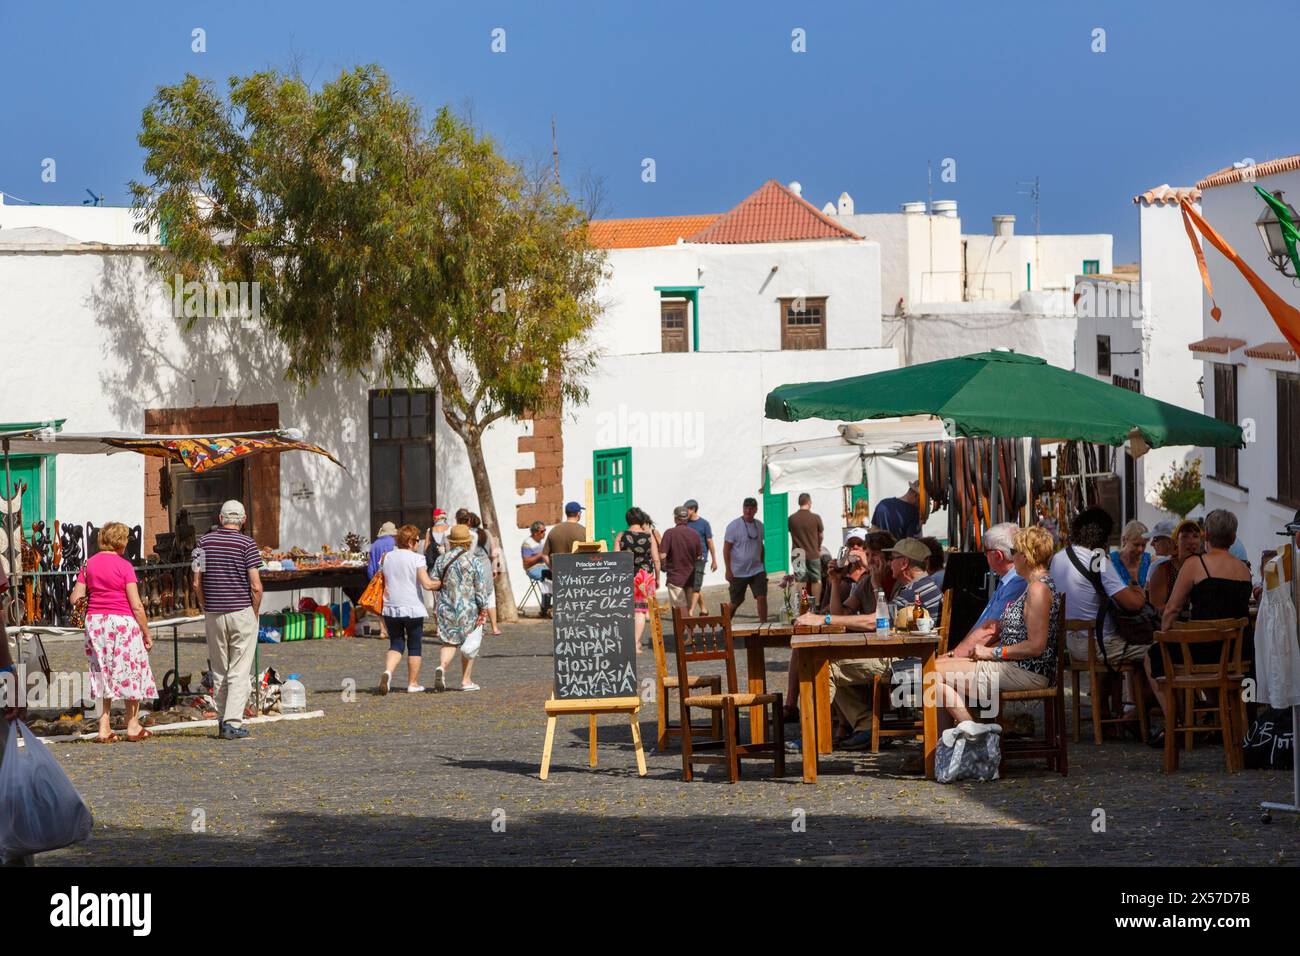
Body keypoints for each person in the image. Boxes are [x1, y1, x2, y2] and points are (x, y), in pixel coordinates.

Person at [795, 537, 944, 750]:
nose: (888, 563)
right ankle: (863, 724)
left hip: (906, 662)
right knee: (826, 663)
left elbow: (876, 620)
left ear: (904, 564)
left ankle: (812, 737)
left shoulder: (915, 591)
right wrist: (836, 583)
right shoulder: (918, 587)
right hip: (906, 657)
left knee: (824, 667)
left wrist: (824, 619)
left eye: (892, 559)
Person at [934, 526, 1062, 732]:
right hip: (1015, 666)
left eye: (1014, 552)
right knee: (935, 677)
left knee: (931, 673)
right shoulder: (1035, 585)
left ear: (1025, 556)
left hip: (1024, 671)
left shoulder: (1038, 589)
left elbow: (1036, 646)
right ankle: (957, 740)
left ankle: (976, 734)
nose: (1012, 558)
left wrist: (992, 652)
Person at [1144, 509, 1253, 744]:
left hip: (1204, 650)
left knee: (1153, 654)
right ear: (1233, 538)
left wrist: (1164, 634)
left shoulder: (1196, 565)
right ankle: (1222, 721)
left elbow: (1172, 609)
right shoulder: (1244, 569)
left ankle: (1176, 722)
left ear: (1206, 536)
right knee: (1211, 660)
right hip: (1238, 652)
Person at [1050, 507, 1149, 725]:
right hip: (1099, 646)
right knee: (1152, 651)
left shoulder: (1058, 559)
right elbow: (1133, 605)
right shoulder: (1097, 560)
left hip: (1071, 643)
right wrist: (1138, 590)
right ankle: (1139, 715)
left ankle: (1104, 711)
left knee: (1114, 642)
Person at [67, 522, 158, 742]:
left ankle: (104, 727)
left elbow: (74, 598)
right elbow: (136, 604)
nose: (127, 543)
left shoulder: (88, 564)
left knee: (101, 672)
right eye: (125, 539)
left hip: (96, 623)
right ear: (119, 541)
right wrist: (146, 632)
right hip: (122, 622)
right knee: (131, 669)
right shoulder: (124, 566)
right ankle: (133, 724)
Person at [192, 500, 263, 740]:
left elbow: (195, 581)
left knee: (220, 668)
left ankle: (222, 719)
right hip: (240, 610)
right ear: (243, 520)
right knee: (239, 669)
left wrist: (205, 605)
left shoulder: (202, 542)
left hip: (214, 612)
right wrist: (254, 612)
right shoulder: (247, 544)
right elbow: (256, 586)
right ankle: (232, 722)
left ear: (221, 519)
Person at [944, 522, 1028, 659]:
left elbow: (990, 630)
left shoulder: (1016, 583)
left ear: (998, 556)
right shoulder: (1008, 581)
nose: (985, 556)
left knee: (931, 672)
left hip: (993, 661)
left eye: (986, 551)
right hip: (986, 656)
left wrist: (953, 656)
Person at [428, 523, 491, 691]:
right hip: (468, 608)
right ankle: (466, 680)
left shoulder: (442, 560)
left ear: (451, 541)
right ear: (468, 542)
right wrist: (483, 608)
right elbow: (480, 587)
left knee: (449, 642)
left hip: (447, 606)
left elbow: (433, 581)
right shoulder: (473, 560)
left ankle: (442, 667)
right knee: (469, 643)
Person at [378, 524, 438, 695]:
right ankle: (413, 683)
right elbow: (427, 584)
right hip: (412, 607)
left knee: (396, 643)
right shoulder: (417, 559)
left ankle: (388, 672)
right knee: (414, 645)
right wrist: (441, 583)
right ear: (410, 541)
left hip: (391, 606)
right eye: (417, 540)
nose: (418, 543)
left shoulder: (386, 557)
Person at [614, 508, 661, 650]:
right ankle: (635, 643)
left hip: (626, 575)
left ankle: (626, 640)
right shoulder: (648, 536)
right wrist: (657, 578)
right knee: (641, 610)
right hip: (645, 577)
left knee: (626, 609)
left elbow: (615, 558)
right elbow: (656, 560)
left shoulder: (621, 536)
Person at [723, 497, 767, 622]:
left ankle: (763, 625)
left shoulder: (759, 525)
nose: (748, 510)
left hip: (757, 569)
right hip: (738, 571)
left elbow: (761, 546)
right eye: (746, 507)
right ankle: (725, 622)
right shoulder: (734, 526)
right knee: (736, 601)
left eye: (751, 508)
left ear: (756, 510)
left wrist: (763, 566)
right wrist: (728, 570)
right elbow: (726, 549)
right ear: (743, 508)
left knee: (761, 596)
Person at [1147, 519, 1203, 612]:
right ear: (1176, 541)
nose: (1191, 541)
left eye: (1195, 536)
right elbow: (1156, 610)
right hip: (1174, 625)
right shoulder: (1163, 570)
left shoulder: (1206, 567)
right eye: (1184, 536)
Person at [659, 506, 702, 612]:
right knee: (688, 609)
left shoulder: (669, 533)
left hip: (675, 577)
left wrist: (663, 565)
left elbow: (662, 555)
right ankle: (689, 627)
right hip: (690, 577)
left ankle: (686, 629)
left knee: (681, 612)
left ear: (675, 518)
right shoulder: (695, 534)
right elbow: (699, 556)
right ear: (687, 518)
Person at [467, 512, 503, 636]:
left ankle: (479, 628)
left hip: (473, 566)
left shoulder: (468, 535)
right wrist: (494, 568)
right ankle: (495, 628)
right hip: (486, 566)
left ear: (468, 522)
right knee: (489, 599)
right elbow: (494, 553)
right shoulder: (486, 533)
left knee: (475, 598)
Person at [788, 493, 824, 604]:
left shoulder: (791, 519)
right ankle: (816, 605)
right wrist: (818, 546)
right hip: (813, 552)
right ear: (809, 502)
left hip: (797, 552)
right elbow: (821, 535)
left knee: (800, 580)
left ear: (799, 503)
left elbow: (792, 533)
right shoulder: (816, 518)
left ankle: (804, 604)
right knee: (816, 580)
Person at [684, 499, 717, 616]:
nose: (684, 512)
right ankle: (703, 608)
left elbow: (709, 542)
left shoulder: (704, 524)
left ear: (693, 510)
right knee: (693, 585)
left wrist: (714, 560)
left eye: (686, 509)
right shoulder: (684, 523)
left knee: (695, 586)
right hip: (687, 558)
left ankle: (691, 611)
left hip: (700, 558)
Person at [366, 520, 398, 639]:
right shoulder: (394, 543)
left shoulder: (374, 545)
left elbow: (371, 566)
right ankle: (391, 629)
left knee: (380, 604)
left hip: (378, 576)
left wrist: (372, 580)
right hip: (392, 576)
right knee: (391, 603)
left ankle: (382, 630)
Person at [520, 521, 552, 618]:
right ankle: (545, 608)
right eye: (542, 531)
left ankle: (547, 607)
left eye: (544, 530)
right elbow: (526, 562)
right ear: (535, 533)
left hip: (544, 566)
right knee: (548, 579)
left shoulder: (542, 541)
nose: (544, 533)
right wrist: (540, 555)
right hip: (532, 568)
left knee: (555, 574)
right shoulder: (527, 543)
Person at [543, 501, 588, 565]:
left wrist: (553, 570)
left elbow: (544, 555)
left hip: (559, 572)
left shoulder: (554, 531)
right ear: (578, 514)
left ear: (566, 513)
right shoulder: (584, 531)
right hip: (578, 572)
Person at [1110, 520, 1152, 587]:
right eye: (1136, 544)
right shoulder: (1110, 561)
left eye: (1143, 545)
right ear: (1124, 540)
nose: (1140, 549)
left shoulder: (1151, 561)